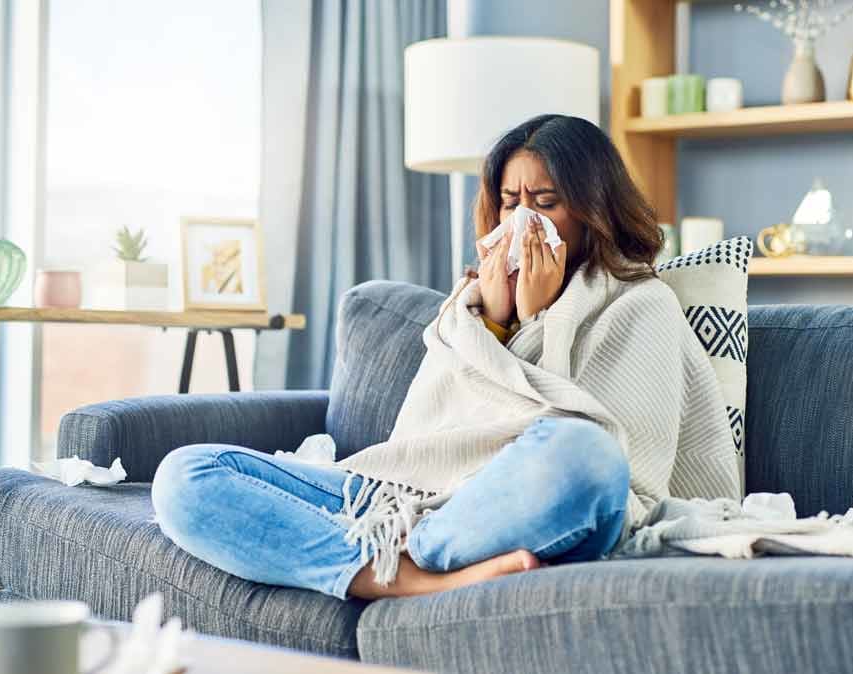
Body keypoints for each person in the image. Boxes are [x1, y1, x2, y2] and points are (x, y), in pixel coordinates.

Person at [151, 115, 739, 601]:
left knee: (585, 454)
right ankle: (405, 580)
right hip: (401, 498)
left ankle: (409, 558)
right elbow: (423, 440)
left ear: (593, 210)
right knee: (187, 474)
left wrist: (542, 321)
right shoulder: (469, 309)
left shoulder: (643, 303)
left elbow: (629, 471)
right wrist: (494, 321)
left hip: (518, 505)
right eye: (511, 202)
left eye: (546, 202)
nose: (522, 221)